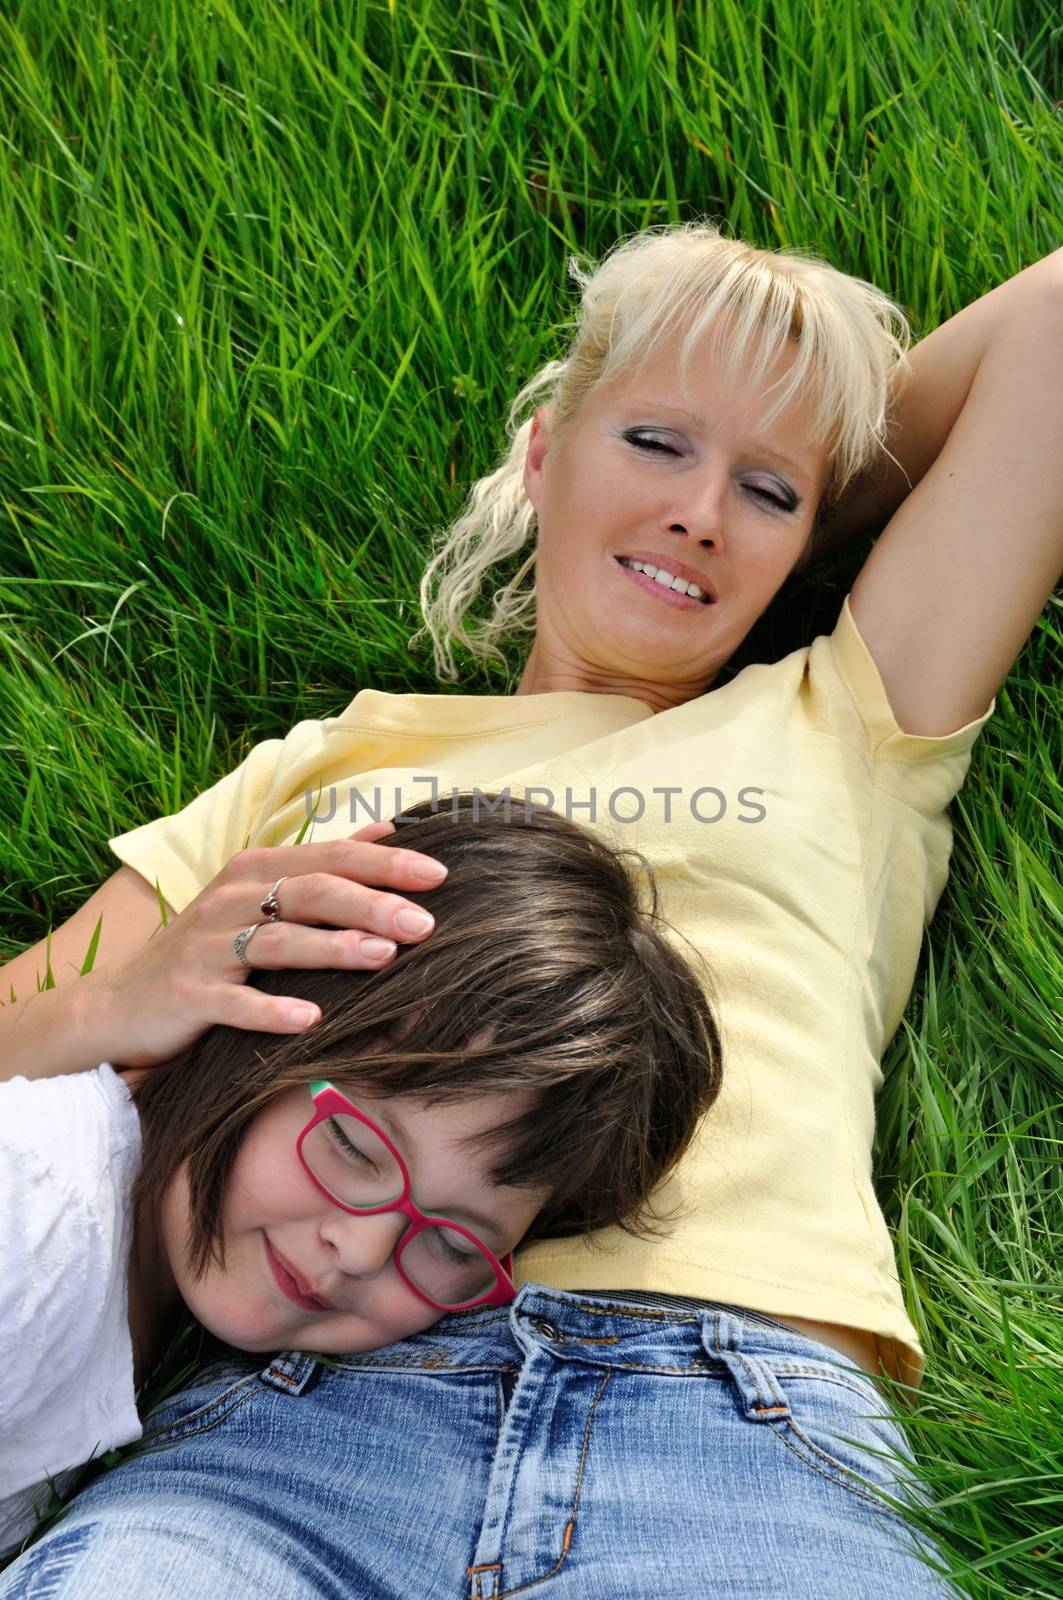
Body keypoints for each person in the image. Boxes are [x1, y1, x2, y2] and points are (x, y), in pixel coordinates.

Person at [1, 221, 1060, 1597]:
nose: (698, 512)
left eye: (764, 489)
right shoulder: (325, 763)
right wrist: (111, 1006)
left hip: (739, 1427)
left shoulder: (843, 721)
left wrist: (798, 485)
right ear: (544, 452)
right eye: (654, 445)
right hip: (297, 1427)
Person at [0, 798, 721, 1557]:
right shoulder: (36, 1223)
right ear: (244, 1023)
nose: (363, 1249)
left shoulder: (101, 1275)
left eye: (453, 1245)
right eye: (352, 1145)